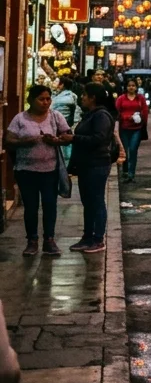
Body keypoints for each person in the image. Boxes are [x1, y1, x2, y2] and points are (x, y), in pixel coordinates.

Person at [4, 84, 73, 256]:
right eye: (41, 99)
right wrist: (24, 142)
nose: (45, 102)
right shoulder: (20, 119)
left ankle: (49, 240)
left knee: (50, 205)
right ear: (30, 100)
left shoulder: (55, 117)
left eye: (48, 99)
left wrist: (56, 140)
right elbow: (8, 140)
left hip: (50, 171)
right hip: (26, 171)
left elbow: (68, 136)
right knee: (31, 207)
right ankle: (32, 241)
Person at [68, 82, 117, 254]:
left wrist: (73, 139)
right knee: (88, 202)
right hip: (86, 164)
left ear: (92, 98)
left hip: (97, 164)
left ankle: (97, 239)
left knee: (96, 201)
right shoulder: (90, 114)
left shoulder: (101, 116)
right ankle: (87, 236)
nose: (82, 97)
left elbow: (98, 139)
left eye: (84, 95)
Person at [115, 78, 149, 182]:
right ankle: (125, 172)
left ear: (136, 87)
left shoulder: (140, 98)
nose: (131, 87)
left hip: (137, 129)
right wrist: (126, 117)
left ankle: (131, 174)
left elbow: (145, 111)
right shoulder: (121, 98)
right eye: (129, 85)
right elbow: (117, 112)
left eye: (133, 85)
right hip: (124, 128)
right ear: (126, 87)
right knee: (124, 150)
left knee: (133, 150)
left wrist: (140, 119)